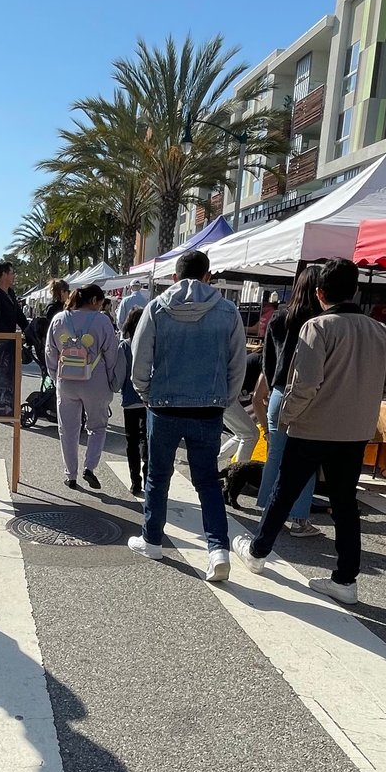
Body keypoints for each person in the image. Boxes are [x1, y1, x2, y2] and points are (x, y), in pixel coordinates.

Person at [232, 258, 386, 605]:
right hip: (355, 431)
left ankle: (258, 550)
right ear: (355, 290)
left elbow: (305, 384)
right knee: (344, 503)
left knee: (285, 491)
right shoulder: (378, 330)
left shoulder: (318, 327)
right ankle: (345, 579)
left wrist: (287, 417)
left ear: (319, 293)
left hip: (313, 425)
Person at [129, 248, 246, 583]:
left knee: (157, 476)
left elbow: (140, 361)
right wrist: (224, 400)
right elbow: (237, 365)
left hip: (164, 405)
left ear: (175, 277)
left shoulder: (156, 308)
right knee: (207, 481)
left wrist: (147, 395)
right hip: (208, 407)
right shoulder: (227, 311)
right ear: (208, 276)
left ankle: (152, 540)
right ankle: (218, 550)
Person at [255, 264, 324, 538]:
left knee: (276, 454)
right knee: (304, 461)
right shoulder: (320, 321)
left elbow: (267, 361)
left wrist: (274, 385)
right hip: (308, 395)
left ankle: (267, 509)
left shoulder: (279, 317)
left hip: (278, 392)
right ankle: (299, 519)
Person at [44, 283, 120, 491]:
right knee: (97, 427)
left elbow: (50, 352)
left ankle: (71, 475)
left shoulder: (59, 319)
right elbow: (112, 353)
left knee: (67, 430)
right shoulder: (103, 321)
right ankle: (90, 466)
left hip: (66, 381)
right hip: (95, 381)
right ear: (94, 301)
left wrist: (54, 376)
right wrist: (112, 379)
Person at [119, 308, 146, 496]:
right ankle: (148, 474)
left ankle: (135, 481)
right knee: (147, 440)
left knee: (132, 441)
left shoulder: (125, 346)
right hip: (149, 400)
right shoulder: (153, 344)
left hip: (130, 399)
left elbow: (120, 375)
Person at [0, 260, 32, 338]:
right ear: (4, 274)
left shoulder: (11, 293)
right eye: (12, 273)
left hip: (11, 341)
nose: (14, 276)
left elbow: (20, 316)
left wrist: (29, 332)